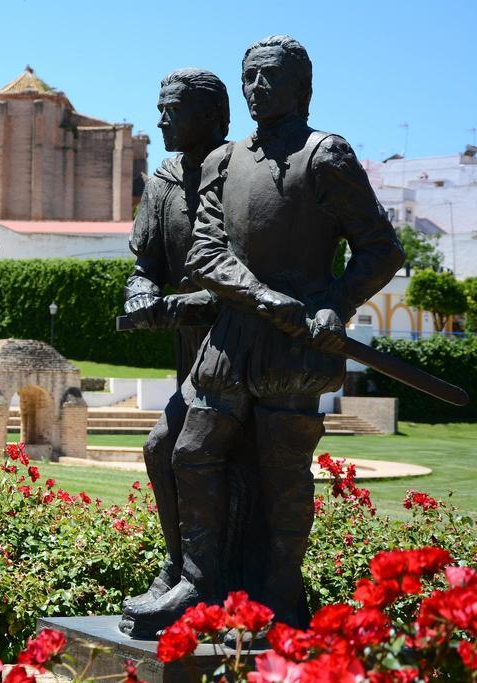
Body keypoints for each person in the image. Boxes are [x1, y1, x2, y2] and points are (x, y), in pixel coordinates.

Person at [131, 35, 404, 633]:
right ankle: (197, 582)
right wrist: (260, 295)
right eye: (249, 77)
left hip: (293, 347)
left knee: (283, 472)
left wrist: (333, 302)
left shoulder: (325, 155)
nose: (257, 88)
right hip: (231, 339)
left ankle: (280, 590)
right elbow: (207, 251)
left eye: (269, 77)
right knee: (188, 452)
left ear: (302, 87)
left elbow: (381, 250)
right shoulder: (228, 162)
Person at [118, 68, 229, 635]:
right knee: (162, 452)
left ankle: (198, 576)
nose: (161, 119)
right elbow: (145, 266)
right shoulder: (162, 178)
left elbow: (243, 275)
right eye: (159, 108)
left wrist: (179, 306)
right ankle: (178, 567)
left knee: (171, 446)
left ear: (209, 114)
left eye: (173, 109)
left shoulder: (238, 172)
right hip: (192, 352)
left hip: (236, 348)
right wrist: (142, 296)